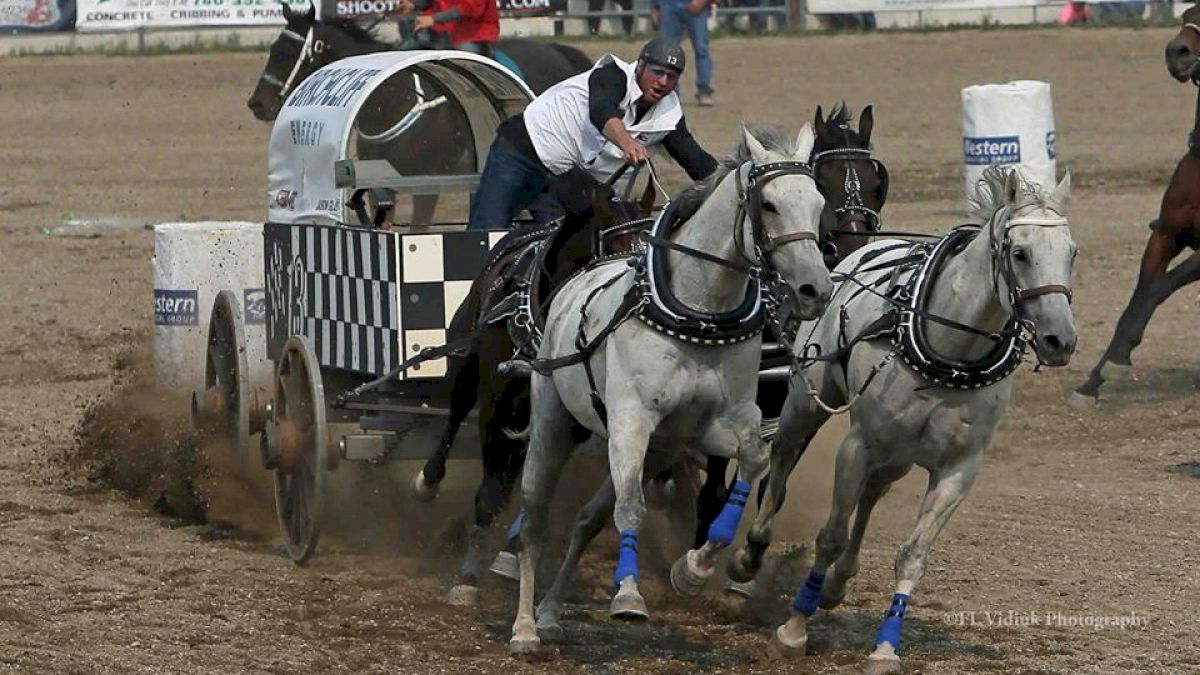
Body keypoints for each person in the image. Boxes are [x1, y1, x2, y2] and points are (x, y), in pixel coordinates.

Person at [467, 38, 719, 231]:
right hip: (523, 150)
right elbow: (601, 112)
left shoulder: (668, 114)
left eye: (671, 77)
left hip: (565, 176)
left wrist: (734, 179)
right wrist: (627, 143)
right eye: (657, 72)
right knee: (487, 231)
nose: (663, 82)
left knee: (570, 246)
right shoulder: (612, 74)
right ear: (640, 66)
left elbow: (695, 159)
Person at [652, 0, 715, 106]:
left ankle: (704, 91)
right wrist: (655, 6)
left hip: (694, 3)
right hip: (669, 5)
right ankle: (671, 93)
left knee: (701, 50)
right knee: (668, 51)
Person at [398, 0, 499, 56]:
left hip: (474, 36)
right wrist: (413, 5)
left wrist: (434, 19)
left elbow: (469, 8)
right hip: (446, 34)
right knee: (403, 54)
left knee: (465, 67)